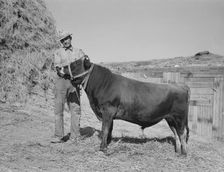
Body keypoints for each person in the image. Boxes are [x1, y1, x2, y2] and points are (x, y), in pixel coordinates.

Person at [51, 31, 85, 144]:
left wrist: (77, 76)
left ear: (70, 38)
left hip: (74, 83)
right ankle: (58, 136)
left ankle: (75, 136)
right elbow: (59, 69)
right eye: (62, 40)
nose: (65, 41)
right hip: (61, 82)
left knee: (75, 109)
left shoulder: (79, 52)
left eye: (66, 38)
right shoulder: (58, 52)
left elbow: (83, 65)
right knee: (58, 109)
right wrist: (71, 70)